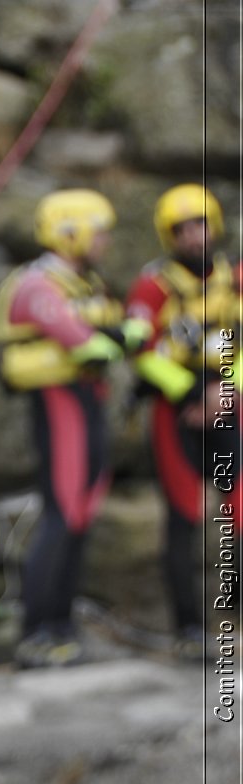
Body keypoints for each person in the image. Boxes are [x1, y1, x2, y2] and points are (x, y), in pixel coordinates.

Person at [0, 190, 153, 669]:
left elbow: (118, 335)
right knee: (62, 515)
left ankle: (62, 627)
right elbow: (88, 345)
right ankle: (36, 633)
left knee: (81, 517)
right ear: (69, 231)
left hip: (88, 401)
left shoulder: (86, 282)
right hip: (60, 404)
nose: (105, 241)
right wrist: (121, 336)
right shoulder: (39, 284)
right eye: (98, 231)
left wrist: (122, 335)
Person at [125, 184, 242, 660]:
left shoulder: (234, 278)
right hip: (176, 409)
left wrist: (225, 390)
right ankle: (189, 630)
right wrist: (193, 391)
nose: (194, 236)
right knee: (184, 514)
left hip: (229, 402)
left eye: (200, 225)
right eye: (182, 229)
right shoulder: (153, 285)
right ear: (169, 236)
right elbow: (142, 350)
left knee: (238, 505)